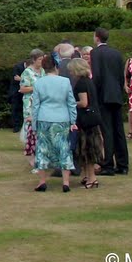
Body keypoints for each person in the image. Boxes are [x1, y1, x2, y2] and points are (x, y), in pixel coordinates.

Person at [30, 56, 77, 192]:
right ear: (56, 67)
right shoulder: (65, 81)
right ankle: (66, 182)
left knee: (42, 149)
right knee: (63, 148)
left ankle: (42, 181)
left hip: (44, 117)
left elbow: (36, 106)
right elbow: (71, 103)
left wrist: (34, 124)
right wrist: (73, 120)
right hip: (62, 117)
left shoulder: (39, 83)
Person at [91, 28, 128, 176]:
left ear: (97, 38)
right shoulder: (116, 53)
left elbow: (97, 76)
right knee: (118, 129)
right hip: (116, 95)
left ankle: (108, 165)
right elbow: (120, 76)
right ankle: (123, 164)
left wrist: (95, 95)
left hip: (103, 96)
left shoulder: (95, 53)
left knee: (107, 130)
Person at [67, 58, 102, 189]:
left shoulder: (81, 83)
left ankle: (92, 179)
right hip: (91, 118)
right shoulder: (88, 81)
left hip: (86, 120)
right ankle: (88, 176)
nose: (70, 72)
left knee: (88, 150)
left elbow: (84, 102)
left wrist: (70, 103)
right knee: (87, 150)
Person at [19, 49, 45, 169]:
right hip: (30, 103)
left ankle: (41, 155)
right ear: (34, 60)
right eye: (40, 59)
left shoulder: (43, 71)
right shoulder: (27, 72)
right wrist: (37, 87)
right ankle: (32, 158)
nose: (42, 61)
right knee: (31, 129)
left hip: (42, 103)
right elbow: (23, 89)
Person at [8, 55, 28, 133]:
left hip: (26, 91)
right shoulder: (18, 67)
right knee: (15, 108)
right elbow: (16, 78)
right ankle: (16, 126)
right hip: (16, 91)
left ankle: (23, 125)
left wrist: (22, 79)